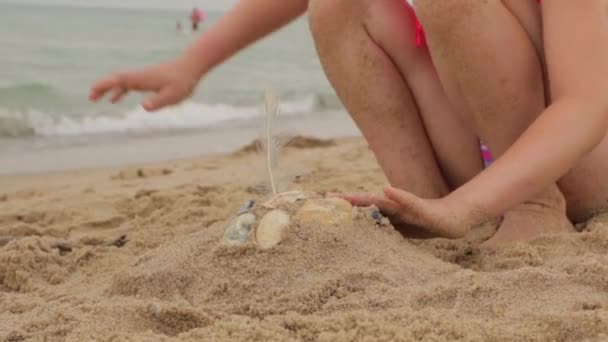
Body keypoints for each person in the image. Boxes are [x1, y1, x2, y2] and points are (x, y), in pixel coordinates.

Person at [89, 0, 608, 245]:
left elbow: (585, 107)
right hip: (472, 162)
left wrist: (469, 205)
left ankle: (530, 207)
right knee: (335, 6)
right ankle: (419, 204)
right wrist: (191, 64)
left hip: (570, 158)